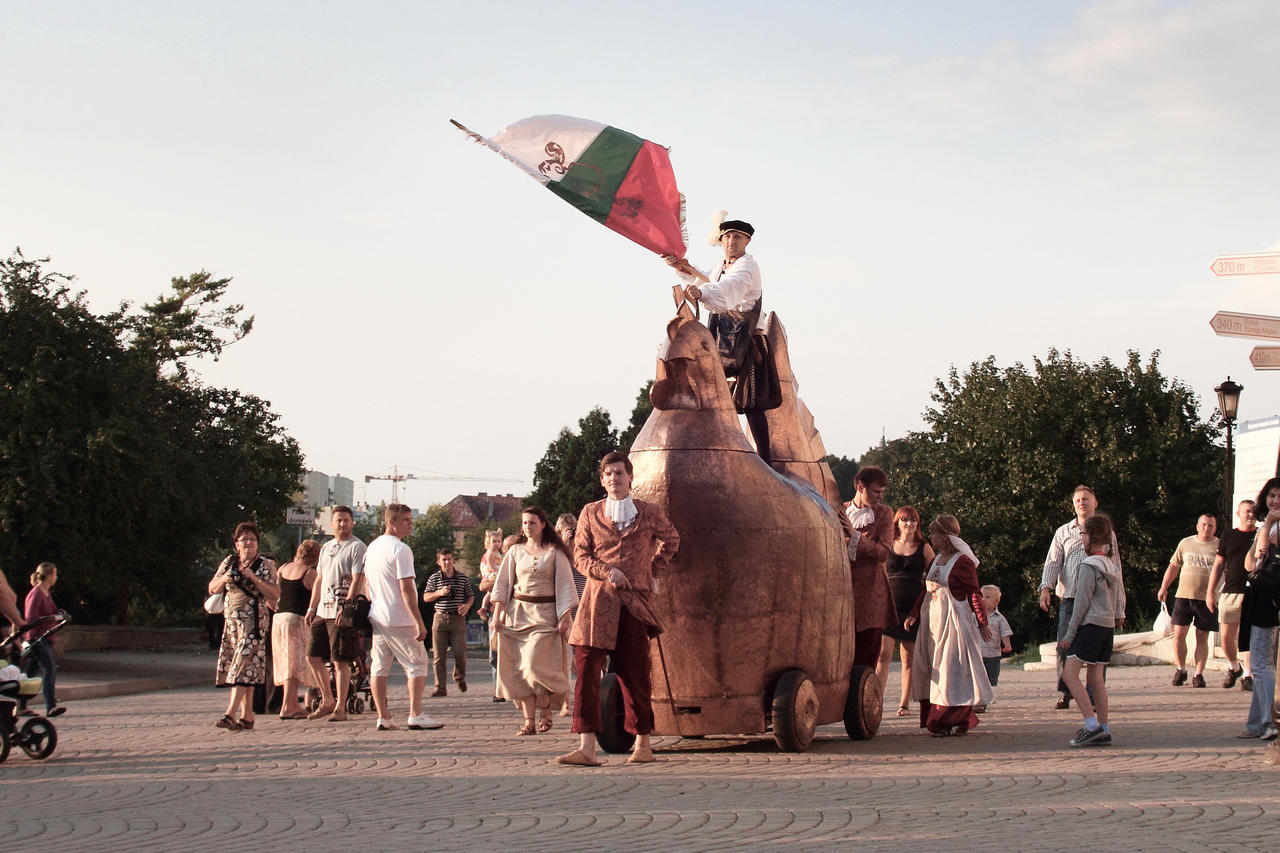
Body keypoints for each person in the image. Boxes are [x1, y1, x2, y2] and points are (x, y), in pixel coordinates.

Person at [558, 451, 679, 767]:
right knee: (586, 671)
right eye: (608, 474)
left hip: (634, 604)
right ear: (602, 480)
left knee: (635, 672)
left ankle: (643, 743)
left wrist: (652, 569)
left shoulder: (649, 513)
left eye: (619, 473)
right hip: (597, 604)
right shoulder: (589, 513)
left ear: (630, 477)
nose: (614, 478)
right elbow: (580, 556)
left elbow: (672, 540)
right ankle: (586, 747)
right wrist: (606, 571)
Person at [668, 215, 771, 464]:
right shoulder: (720, 266)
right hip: (722, 336)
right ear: (721, 241)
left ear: (747, 241)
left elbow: (727, 289)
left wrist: (702, 292)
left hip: (747, 340)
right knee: (709, 391)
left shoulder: (747, 267)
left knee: (751, 401)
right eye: (727, 237)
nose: (731, 241)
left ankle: (766, 460)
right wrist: (680, 265)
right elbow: (707, 278)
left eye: (737, 237)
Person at [348, 503, 442, 731]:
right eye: (406, 520)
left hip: (378, 615)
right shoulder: (401, 550)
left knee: (379, 667)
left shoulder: (372, 547)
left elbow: (368, 584)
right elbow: (407, 588)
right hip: (399, 617)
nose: (410, 524)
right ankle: (415, 713)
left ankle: (384, 716)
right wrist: (419, 622)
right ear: (392, 522)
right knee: (417, 664)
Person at [492, 507, 578, 735]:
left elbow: (566, 585)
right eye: (524, 523)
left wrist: (566, 616)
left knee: (533, 666)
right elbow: (502, 584)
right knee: (520, 671)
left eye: (532, 522)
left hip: (545, 616)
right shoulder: (515, 552)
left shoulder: (555, 552)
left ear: (542, 524)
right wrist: (497, 614)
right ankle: (529, 721)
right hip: (517, 614)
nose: (527, 527)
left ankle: (547, 709)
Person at [905, 515, 993, 736]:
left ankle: (945, 719)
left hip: (954, 622)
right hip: (933, 622)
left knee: (950, 669)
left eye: (934, 533)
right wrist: (914, 614)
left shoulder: (962, 561)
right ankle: (943, 717)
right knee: (932, 668)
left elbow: (974, 593)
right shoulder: (935, 561)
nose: (931, 537)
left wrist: (982, 622)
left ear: (945, 536)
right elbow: (925, 590)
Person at [1038, 485, 1125, 709]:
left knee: (1097, 650)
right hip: (1070, 597)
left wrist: (1119, 609)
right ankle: (1067, 691)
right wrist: (1045, 588)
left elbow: (1116, 571)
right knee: (1065, 645)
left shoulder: (1107, 533)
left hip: (1099, 601)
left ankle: (1093, 696)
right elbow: (1053, 561)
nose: (1081, 503)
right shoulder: (1064, 531)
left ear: (1095, 502)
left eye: (1086, 499)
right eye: (1077, 500)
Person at [1058, 514, 1125, 746]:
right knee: (1096, 678)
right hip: (1106, 627)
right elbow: (1115, 599)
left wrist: (1069, 634)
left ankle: (1091, 724)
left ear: (1091, 536)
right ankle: (1104, 727)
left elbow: (1081, 603)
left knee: (1069, 674)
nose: (1082, 538)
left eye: (1084, 534)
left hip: (1090, 626)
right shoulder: (1110, 565)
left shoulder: (1087, 566)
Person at [209, 522, 279, 731]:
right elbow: (213, 588)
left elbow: (275, 594)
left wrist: (254, 579)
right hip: (232, 625)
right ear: (236, 544)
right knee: (246, 669)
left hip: (255, 624)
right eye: (244, 539)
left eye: (252, 540)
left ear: (258, 543)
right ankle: (247, 716)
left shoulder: (266, 565)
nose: (248, 543)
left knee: (241, 666)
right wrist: (225, 578)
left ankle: (230, 713)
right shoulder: (230, 562)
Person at [304, 505, 367, 722]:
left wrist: (348, 607)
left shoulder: (357, 547)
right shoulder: (326, 547)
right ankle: (327, 699)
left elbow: (358, 578)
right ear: (331, 523)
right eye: (338, 520)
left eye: (346, 520)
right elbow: (319, 579)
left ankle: (340, 706)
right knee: (312, 656)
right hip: (323, 609)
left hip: (341, 609)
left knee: (340, 660)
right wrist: (312, 607)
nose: (342, 524)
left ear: (352, 522)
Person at [843, 467, 897, 696]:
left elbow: (883, 552)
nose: (880, 496)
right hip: (842, 594)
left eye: (882, 491)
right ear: (860, 487)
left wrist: (855, 537)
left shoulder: (884, 514)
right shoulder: (840, 510)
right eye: (876, 491)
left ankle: (863, 707)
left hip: (872, 596)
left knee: (867, 657)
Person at [1157, 513, 1220, 687]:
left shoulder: (1219, 546)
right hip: (1184, 595)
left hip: (1206, 598)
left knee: (1202, 636)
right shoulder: (1186, 543)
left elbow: (1225, 571)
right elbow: (1174, 566)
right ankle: (1181, 668)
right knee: (1179, 634)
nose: (1206, 528)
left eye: (1210, 526)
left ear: (1215, 528)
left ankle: (1198, 674)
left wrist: (1218, 593)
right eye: (1204, 524)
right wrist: (1164, 587)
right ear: (1197, 526)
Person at [882, 506, 934, 716]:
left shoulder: (924, 547)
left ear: (917, 524)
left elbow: (933, 574)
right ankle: (874, 701)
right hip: (889, 604)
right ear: (897, 523)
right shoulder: (888, 544)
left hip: (912, 607)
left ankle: (904, 703)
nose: (909, 524)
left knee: (908, 657)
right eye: (904, 520)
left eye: (913, 520)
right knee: (882, 655)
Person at [1240, 477, 1280, 741]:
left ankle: (1268, 722)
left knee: (1261, 664)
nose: (1275, 501)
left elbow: (1264, 550)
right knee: (1258, 661)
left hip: (1270, 600)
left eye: (1279, 496)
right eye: (1272, 495)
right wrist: (1264, 527)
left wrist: (1267, 525)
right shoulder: (1265, 526)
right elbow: (1248, 563)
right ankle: (1256, 724)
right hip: (1258, 597)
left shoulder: (1274, 527)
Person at [1207, 499, 1256, 690]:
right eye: (1247, 511)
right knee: (1227, 637)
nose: (1250, 514)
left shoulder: (1262, 535)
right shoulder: (1229, 536)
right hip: (1231, 591)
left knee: (1248, 635)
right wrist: (1210, 592)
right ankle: (1234, 666)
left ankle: (1248, 674)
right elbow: (1218, 565)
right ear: (1239, 513)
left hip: (1253, 592)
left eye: (1253, 511)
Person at [272, 539, 319, 720]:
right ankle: (289, 705)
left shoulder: (283, 568)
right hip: (297, 619)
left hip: (279, 618)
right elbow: (317, 598)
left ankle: (288, 702)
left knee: (284, 661)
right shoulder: (310, 573)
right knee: (295, 662)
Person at [422, 548, 474, 697]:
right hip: (440, 618)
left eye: (449, 559)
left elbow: (470, 596)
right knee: (439, 656)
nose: (447, 562)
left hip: (457, 618)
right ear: (438, 562)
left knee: (460, 653)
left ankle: (459, 676)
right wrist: (440, 592)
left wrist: (467, 605)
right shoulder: (434, 579)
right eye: (444, 560)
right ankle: (440, 687)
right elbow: (426, 597)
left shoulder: (462, 578)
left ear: (453, 560)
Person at [22, 563, 65, 717]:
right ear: (48, 576)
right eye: (55, 574)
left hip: (46, 638)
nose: (56, 577)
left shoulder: (46, 593)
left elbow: (51, 610)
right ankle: (51, 705)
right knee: (50, 669)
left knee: (29, 673)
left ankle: (21, 706)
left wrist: (59, 613)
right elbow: (31, 618)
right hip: (36, 639)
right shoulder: (36, 594)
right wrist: (50, 618)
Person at [555, 512, 582, 717]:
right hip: (566, 612)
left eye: (574, 528)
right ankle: (566, 702)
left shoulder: (584, 552)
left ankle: (590, 698)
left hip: (585, 609)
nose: (572, 533)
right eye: (568, 529)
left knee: (586, 659)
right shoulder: (556, 554)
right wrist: (563, 546)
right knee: (565, 659)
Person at [976, 584, 1013, 713]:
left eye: (987, 597)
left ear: (996, 601)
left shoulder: (999, 618)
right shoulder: (973, 616)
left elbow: (1005, 633)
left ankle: (984, 700)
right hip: (977, 654)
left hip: (993, 655)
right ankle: (979, 702)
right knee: (978, 679)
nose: (983, 599)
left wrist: (1007, 645)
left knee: (989, 680)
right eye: (981, 596)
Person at [477, 528, 504, 702]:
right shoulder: (490, 555)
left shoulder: (501, 555)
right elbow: (484, 583)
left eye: (499, 541)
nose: (497, 544)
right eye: (494, 541)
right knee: (495, 653)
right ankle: (498, 690)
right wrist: (500, 573)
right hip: (491, 578)